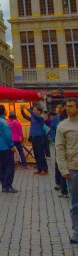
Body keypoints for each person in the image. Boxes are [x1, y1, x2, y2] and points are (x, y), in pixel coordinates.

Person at [55, 97, 78, 243]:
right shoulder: (62, 126)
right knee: (75, 203)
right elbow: (59, 148)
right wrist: (64, 169)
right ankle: (76, 231)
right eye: (67, 106)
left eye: (70, 106)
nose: (67, 109)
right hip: (73, 169)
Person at [0, 105, 17, 193]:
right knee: (10, 166)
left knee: (2, 166)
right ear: (4, 111)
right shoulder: (4, 122)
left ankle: (3, 184)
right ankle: (8, 185)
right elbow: (8, 135)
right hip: (6, 147)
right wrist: (12, 145)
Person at [21, 104, 48, 175]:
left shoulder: (41, 117)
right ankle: (39, 168)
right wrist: (22, 110)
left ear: (39, 111)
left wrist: (28, 109)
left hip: (39, 137)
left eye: (35, 110)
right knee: (36, 154)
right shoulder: (32, 118)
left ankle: (44, 169)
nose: (33, 112)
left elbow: (34, 115)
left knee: (41, 154)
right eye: (33, 110)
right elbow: (25, 116)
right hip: (34, 138)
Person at [52, 104, 69, 198]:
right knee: (60, 165)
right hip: (61, 147)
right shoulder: (57, 119)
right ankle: (62, 186)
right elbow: (53, 130)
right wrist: (56, 141)